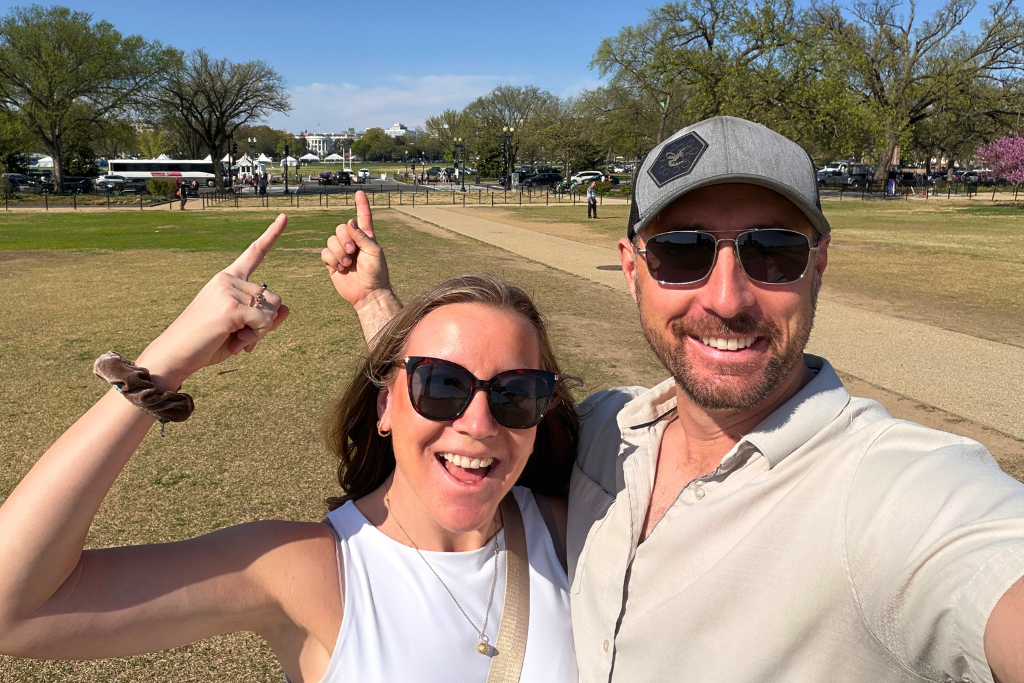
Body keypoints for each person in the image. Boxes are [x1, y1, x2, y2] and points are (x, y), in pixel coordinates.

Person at [324, 116, 1024, 682]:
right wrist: (377, 304)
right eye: (682, 252)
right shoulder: (604, 428)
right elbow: (465, 402)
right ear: (632, 269)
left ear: (820, 263)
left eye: (773, 253)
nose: (727, 297)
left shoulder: (892, 491)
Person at [0, 203, 580, 683]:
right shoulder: (308, 571)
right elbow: (15, 610)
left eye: (517, 394)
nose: (479, 422)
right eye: (443, 387)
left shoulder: (577, 530)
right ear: (386, 406)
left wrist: (378, 307)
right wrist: (164, 363)